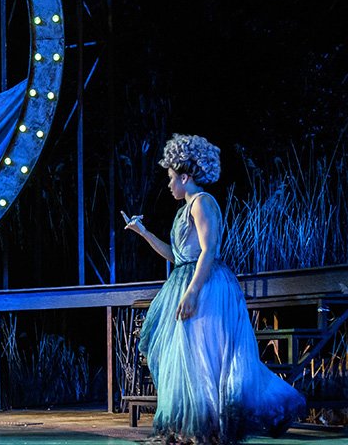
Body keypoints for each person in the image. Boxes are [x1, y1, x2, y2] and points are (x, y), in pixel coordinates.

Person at [123, 134, 305, 443]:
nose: (168, 185)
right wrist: (143, 233)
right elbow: (176, 255)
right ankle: (195, 425)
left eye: (171, 178)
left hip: (206, 285)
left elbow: (208, 251)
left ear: (186, 176)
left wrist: (192, 292)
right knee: (188, 359)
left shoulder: (202, 202)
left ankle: (215, 423)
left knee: (207, 357)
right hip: (186, 278)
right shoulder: (184, 209)